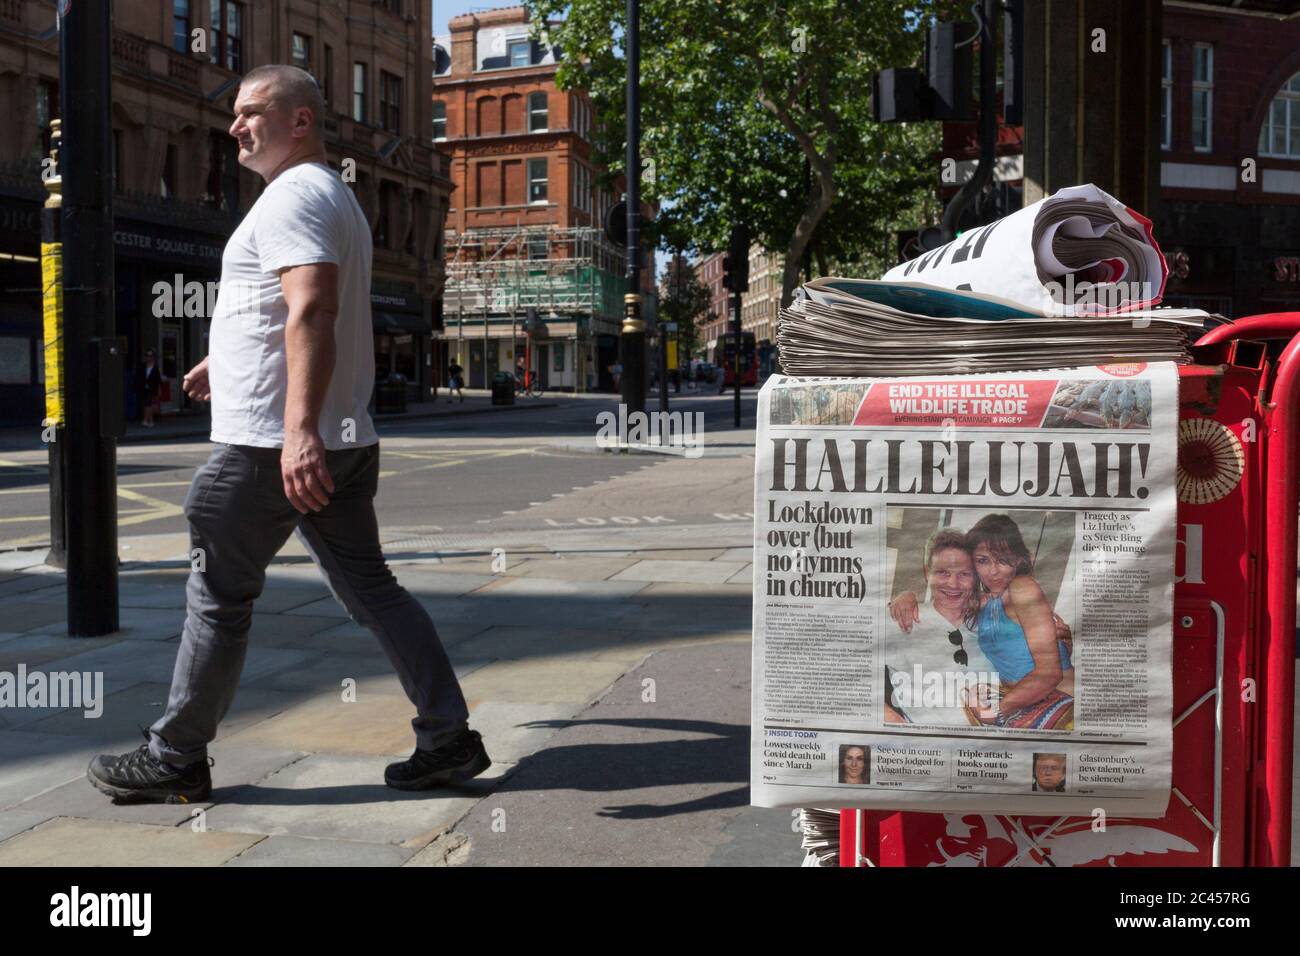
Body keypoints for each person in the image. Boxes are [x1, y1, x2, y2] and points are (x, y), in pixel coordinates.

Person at [87, 64, 488, 805]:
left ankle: (176, 754)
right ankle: (448, 737)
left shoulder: (294, 196)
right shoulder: (328, 194)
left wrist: (296, 430)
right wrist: (227, 358)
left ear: (299, 121)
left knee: (217, 595)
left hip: (272, 448)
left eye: (251, 113)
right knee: (375, 591)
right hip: (335, 439)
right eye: (236, 115)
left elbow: (312, 310)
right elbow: (280, 309)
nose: (235, 126)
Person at [891, 515, 1074, 729]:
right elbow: (951, 598)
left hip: (1060, 704)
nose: (994, 571)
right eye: (983, 560)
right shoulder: (986, 603)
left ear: (1019, 560)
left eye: (1003, 559)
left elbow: (1050, 673)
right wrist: (905, 596)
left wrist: (997, 711)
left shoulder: (1022, 587)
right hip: (1025, 707)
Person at [883, 529, 995, 726]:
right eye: (943, 572)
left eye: (964, 574)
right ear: (927, 573)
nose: (953, 584)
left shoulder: (993, 624)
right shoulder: (901, 620)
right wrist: (892, 720)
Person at [138, 348, 163, 427]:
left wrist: (159, 390)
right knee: (148, 404)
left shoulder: (155, 368)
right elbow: (139, 377)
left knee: (148, 403)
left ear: (153, 357)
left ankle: (146, 420)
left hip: (152, 388)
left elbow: (158, 380)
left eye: (150, 356)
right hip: (144, 387)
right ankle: (150, 421)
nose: (149, 358)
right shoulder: (142, 366)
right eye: (147, 356)